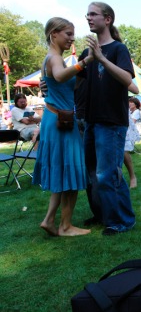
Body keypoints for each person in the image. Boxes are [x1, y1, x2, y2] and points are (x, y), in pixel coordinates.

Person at [79, 1, 136, 235]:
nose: (88, 18)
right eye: (87, 14)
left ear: (108, 19)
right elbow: (77, 83)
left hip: (111, 121)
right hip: (90, 119)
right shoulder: (86, 53)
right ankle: (102, 214)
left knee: (108, 173)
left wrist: (101, 59)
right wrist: (51, 83)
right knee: (91, 173)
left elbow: (128, 81)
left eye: (93, 14)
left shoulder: (118, 49)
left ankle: (121, 221)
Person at [33, 17, 91, 237]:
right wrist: (83, 63)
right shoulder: (55, 58)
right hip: (61, 122)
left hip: (55, 119)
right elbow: (58, 75)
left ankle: (49, 220)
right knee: (72, 170)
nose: (72, 38)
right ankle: (65, 226)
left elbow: (66, 85)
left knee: (61, 172)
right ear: (54, 33)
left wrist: (83, 70)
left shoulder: (55, 58)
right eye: (68, 34)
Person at [124, 96, 141, 189]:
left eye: (131, 102)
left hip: (126, 125)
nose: (130, 103)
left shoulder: (136, 111)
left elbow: (135, 89)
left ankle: (132, 176)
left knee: (123, 151)